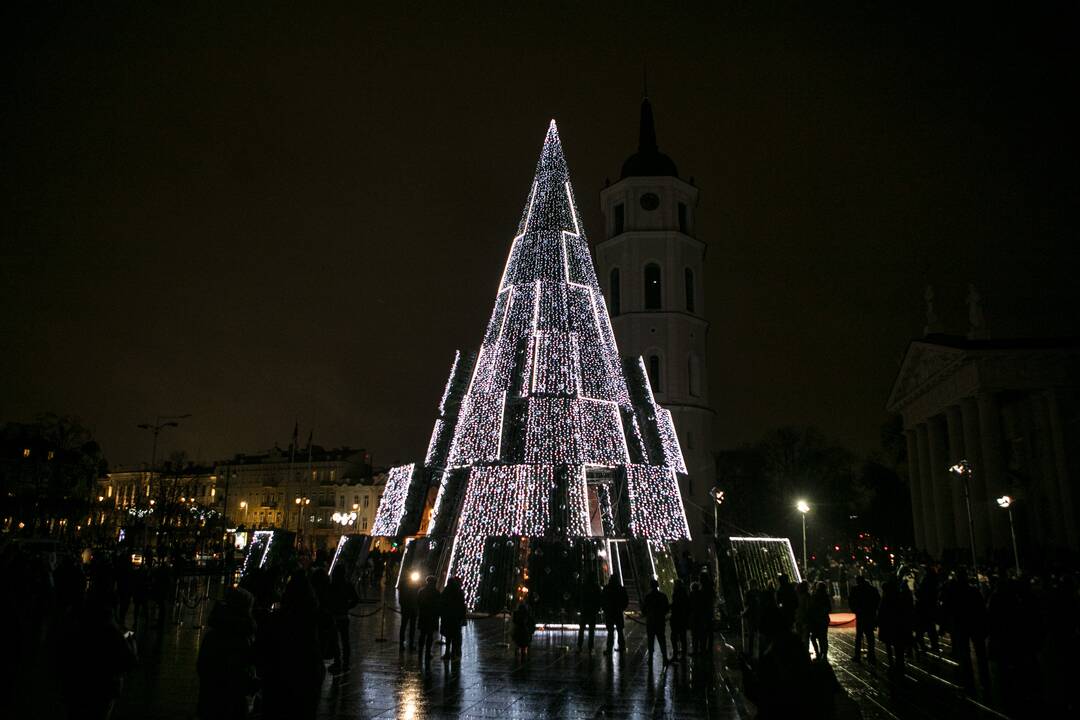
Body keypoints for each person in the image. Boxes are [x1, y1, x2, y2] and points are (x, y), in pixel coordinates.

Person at [254, 572, 325, 720]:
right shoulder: (313, 619)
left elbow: (263, 649)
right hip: (306, 677)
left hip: (279, 679)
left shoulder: (278, 619)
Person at [197, 587, 258, 720]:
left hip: (210, 701)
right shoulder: (242, 638)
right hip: (232, 703)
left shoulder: (213, 635)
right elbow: (241, 673)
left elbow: (202, 668)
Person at [877, 578, 913, 678]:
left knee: (889, 645)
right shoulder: (900, 596)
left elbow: (882, 612)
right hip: (899, 625)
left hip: (889, 625)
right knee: (899, 647)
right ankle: (899, 664)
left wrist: (879, 622)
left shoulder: (886, 598)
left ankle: (892, 664)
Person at [325, 570, 359, 674]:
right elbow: (356, 599)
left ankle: (338, 662)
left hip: (335, 616)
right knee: (345, 641)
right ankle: (345, 663)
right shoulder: (347, 585)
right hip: (343, 616)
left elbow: (327, 599)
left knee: (335, 641)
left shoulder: (332, 586)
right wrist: (347, 607)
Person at [849, 575, 880, 664]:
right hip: (870, 615)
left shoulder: (855, 590)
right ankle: (871, 654)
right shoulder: (872, 589)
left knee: (859, 636)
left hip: (861, 615)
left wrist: (855, 610)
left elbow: (851, 601)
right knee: (870, 636)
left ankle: (857, 655)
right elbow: (877, 600)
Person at [642, 578, 670, 663]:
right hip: (660, 621)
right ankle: (664, 657)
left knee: (650, 640)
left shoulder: (648, 597)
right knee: (662, 639)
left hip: (650, 622)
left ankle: (650, 658)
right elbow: (666, 608)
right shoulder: (663, 596)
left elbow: (644, 609)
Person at [914, 566, 941, 653]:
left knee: (921, 629)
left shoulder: (926, 582)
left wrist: (917, 591)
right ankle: (934, 645)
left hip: (924, 608)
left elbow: (920, 593)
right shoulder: (934, 581)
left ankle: (924, 646)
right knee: (931, 628)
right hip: (930, 607)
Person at [440, 576, 467, 660]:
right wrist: (462, 617)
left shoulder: (446, 591)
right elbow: (462, 606)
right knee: (455, 636)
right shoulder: (459, 592)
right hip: (455, 618)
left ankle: (447, 652)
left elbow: (442, 603)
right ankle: (454, 653)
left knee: (448, 636)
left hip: (447, 617)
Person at [601, 576, 628, 654]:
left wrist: (605, 609)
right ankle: (622, 647)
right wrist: (622, 608)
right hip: (618, 612)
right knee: (620, 631)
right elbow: (625, 600)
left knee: (610, 632)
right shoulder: (621, 589)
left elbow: (603, 599)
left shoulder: (607, 588)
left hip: (609, 612)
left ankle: (609, 649)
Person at [416, 575, 440, 660]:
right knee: (430, 635)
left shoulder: (422, 591)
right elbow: (438, 605)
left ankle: (420, 650)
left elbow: (418, 602)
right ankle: (428, 652)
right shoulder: (436, 593)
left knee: (422, 634)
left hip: (423, 616)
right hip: (432, 617)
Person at [808, 581, 832, 662]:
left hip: (816, 620)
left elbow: (811, 608)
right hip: (824, 619)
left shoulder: (814, 596)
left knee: (814, 637)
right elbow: (829, 609)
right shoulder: (826, 596)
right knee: (823, 638)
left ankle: (818, 653)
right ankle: (824, 654)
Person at [576, 577, 602, 652]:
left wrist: (579, 608)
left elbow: (579, 597)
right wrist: (597, 609)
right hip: (592, 611)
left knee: (582, 629)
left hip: (584, 610)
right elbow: (599, 599)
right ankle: (590, 647)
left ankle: (579, 646)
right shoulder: (596, 587)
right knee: (591, 630)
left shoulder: (584, 586)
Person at [669, 578, 690, 660]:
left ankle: (676, 653)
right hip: (682, 618)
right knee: (682, 636)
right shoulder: (684, 593)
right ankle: (683, 653)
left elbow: (675, 604)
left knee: (674, 636)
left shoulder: (676, 593)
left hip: (676, 617)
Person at [398, 575, 419, 650]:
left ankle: (407, 643)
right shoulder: (413, 584)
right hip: (410, 608)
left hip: (409, 608)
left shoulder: (405, 583)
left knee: (406, 626)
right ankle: (406, 643)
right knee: (407, 626)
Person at [794, 581, 812, 654]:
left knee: (799, 635)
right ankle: (805, 651)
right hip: (805, 618)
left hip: (798, 617)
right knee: (806, 636)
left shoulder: (796, 595)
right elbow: (808, 607)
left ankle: (800, 651)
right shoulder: (807, 596)